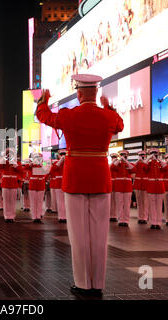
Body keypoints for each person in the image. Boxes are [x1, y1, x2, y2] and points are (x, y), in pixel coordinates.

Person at [36, 74, 124, 297]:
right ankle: (98, 283)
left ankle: (83, 283)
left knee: (79, 235)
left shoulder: (68, 115)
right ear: (96, 92)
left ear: (78, 93)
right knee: (99, 235)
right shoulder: (108, 116)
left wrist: (43, 99)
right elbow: (120, 125)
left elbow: (43, 115)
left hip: (75, 178)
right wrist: (109, 107)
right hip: (100, 178)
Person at [0, 148, 23, 223]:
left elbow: (21, 170)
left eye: (11, 153)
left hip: (13, 183)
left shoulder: (17, 162)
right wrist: (4, 155)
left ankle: (12, 216)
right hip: (6, 182)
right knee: (6, 200)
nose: (10, 155)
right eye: (8, 154)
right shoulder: (4, 162)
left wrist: (14, 164)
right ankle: (6, 216)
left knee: (12, 201)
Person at [144, 148, 166, 230]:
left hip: (159, 186)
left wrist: (159, 160)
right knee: (152, 205)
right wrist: (149, 158)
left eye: (155, 154)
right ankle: (153, 222)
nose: (154, 155)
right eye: (153, 153)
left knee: (159, 206)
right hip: (151, 186)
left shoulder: (160, 163)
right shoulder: (148, 163)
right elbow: (144, 167)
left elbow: (165, 168)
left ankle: (158, 222)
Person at [112, 150, 134, 227]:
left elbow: (133, 169)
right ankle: (121, 220)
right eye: (121, 155)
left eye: (124, 155)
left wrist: (125, 161)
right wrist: (119, 160)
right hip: (119, 187)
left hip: (127, 187)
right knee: (119, 204)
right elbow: (112, 167)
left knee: (127, 204)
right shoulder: (117, 165)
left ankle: (126, 220)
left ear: (127, 156)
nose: (123, 156)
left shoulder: (129, 164)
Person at [25, 153, 49, 223]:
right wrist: (33, 162)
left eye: (39, 158)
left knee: (39, 202)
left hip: (40, 184)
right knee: (33, 202)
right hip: (33, 184)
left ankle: (38, 216)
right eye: (36, 158)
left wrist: (41, 164)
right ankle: (34, 216)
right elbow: (26, 168)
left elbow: (46, 171)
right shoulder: (32, 164)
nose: (38, 159)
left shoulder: (43, 164)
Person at [49, 150, 66, 223]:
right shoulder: (56, 163)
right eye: (61, 154)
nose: (63, 156)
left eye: (64, 154)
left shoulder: (68, 163)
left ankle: (66, 217)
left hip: (66, 184)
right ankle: (61, 217)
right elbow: (52, 170)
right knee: (60, 202)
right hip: (59, 184)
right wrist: (61, 161)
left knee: (66, 202)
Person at [133, 151, 148, 224]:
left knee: (145, 202)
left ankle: (144, 217)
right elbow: (132, 168)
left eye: (143, 155)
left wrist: (144, 161)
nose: (142, 156)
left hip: (145, 184)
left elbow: (147, 169)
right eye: (140, 155)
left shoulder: (147, 162)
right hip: (138, 184)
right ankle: (139, 217)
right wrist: (137, 161)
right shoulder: (137, 163)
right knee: (139, 202)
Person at [109, 153, 119, 222]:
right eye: (113, 157)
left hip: (117, 184)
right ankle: (110, 215)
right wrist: (112, 162)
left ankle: (115, 215)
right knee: (110, 201)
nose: (114, 158)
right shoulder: (110, 164)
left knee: (116, 201)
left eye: (115, 157)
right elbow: (109, 167)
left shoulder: (118, 165)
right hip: (111, 183)